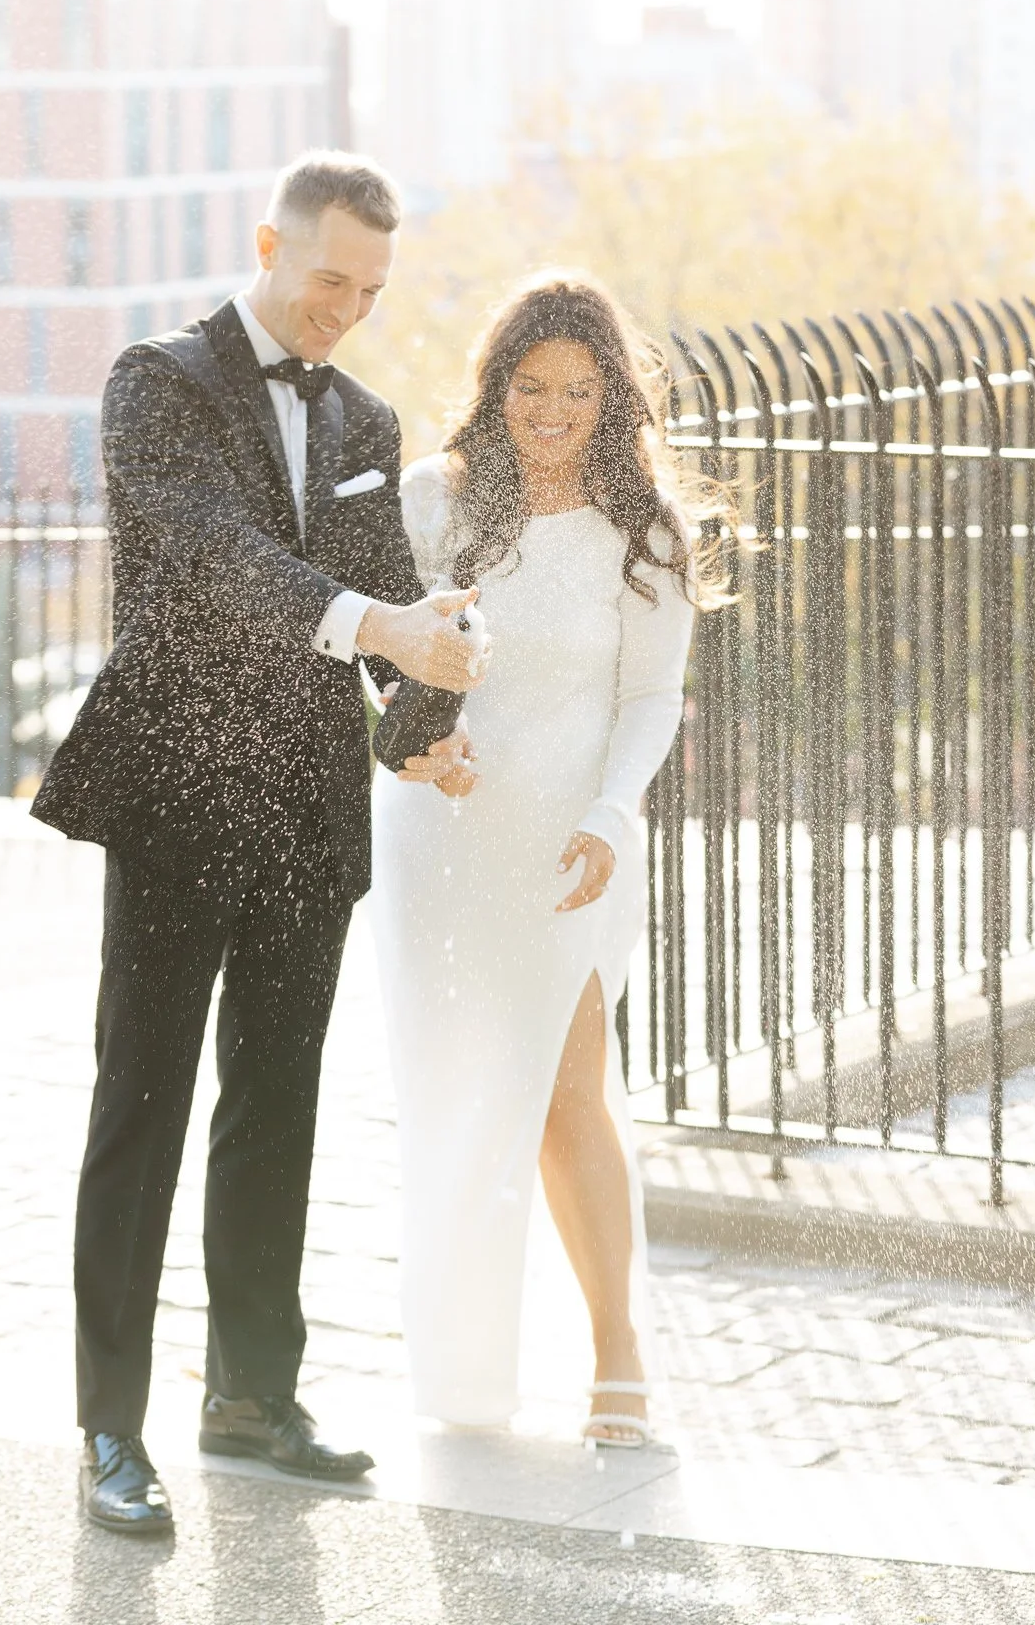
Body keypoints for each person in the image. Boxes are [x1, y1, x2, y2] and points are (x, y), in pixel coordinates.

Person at [31, 152, 486, 1535]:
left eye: (370, 288)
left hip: (306, 810)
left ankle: (250, 1398)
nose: (344, 308)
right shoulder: (156, 381)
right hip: (174, 801)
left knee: (274, 1109)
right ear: (268, 244)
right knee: (142, 1105)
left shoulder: (363, 416)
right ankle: (111, 1427)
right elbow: (203, 556)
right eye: (328, 277)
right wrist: (378, 630)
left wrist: (427, 723)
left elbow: (393, 609)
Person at [371, 276, 727, 1445]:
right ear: (495, 385)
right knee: (459, 1094)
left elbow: (650, 695)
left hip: (575, 840)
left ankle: (617, 1353)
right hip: (442, 835)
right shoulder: (434, 499)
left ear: (612, 395)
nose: (552, 409)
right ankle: (466, 1372)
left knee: (569, 1092)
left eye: (578, 388)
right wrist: (426, 738)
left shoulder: (651, 535)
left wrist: (614, 811)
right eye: (530, 386)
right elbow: (388, 655)